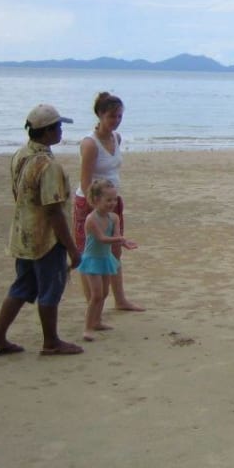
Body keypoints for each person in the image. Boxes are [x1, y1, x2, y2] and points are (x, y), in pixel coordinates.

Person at [0, 103, 83, 357]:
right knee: (50, 289)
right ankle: (51, 342)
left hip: (22, 234)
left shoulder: (20, 155)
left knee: (21, 287)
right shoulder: (48, 166)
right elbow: (54, 211)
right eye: (58, 127)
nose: (61, 131)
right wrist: (72, 248)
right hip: (45, 238)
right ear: (47, 132)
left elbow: (18, 193)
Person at [74, 91, 143, 311]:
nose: (116, 121)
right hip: (90, 204)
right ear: (100, 116)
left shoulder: (117, 138)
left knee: (115, 250)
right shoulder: (90, 144)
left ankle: (120, 300)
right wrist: (97, 211)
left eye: (120, 116)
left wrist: (110, 206)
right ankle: (93, 305)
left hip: (112, 202)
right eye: (112, 116)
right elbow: (85, 183)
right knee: (89, 254)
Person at [80, 179, 139, 341]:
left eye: (115, 199)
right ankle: (88, 327)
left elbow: (115, 237)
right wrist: (121, 239)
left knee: (105, 293)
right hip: (92, 260)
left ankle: (97, 321)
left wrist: (125, 243)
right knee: (96, 295)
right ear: (96, 200)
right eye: (108, 200)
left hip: (106, 258)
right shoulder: (91, 219)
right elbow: (102, 238)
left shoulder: (114, 218)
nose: (112, 203)